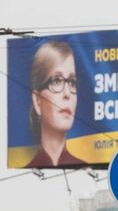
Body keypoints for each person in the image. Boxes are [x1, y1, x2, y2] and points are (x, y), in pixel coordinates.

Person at [26, 40, 85, 168]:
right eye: (56, 81)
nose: (67, 93)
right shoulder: (20, 176)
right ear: (37, 101)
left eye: (72, 82)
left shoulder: (87, 170)